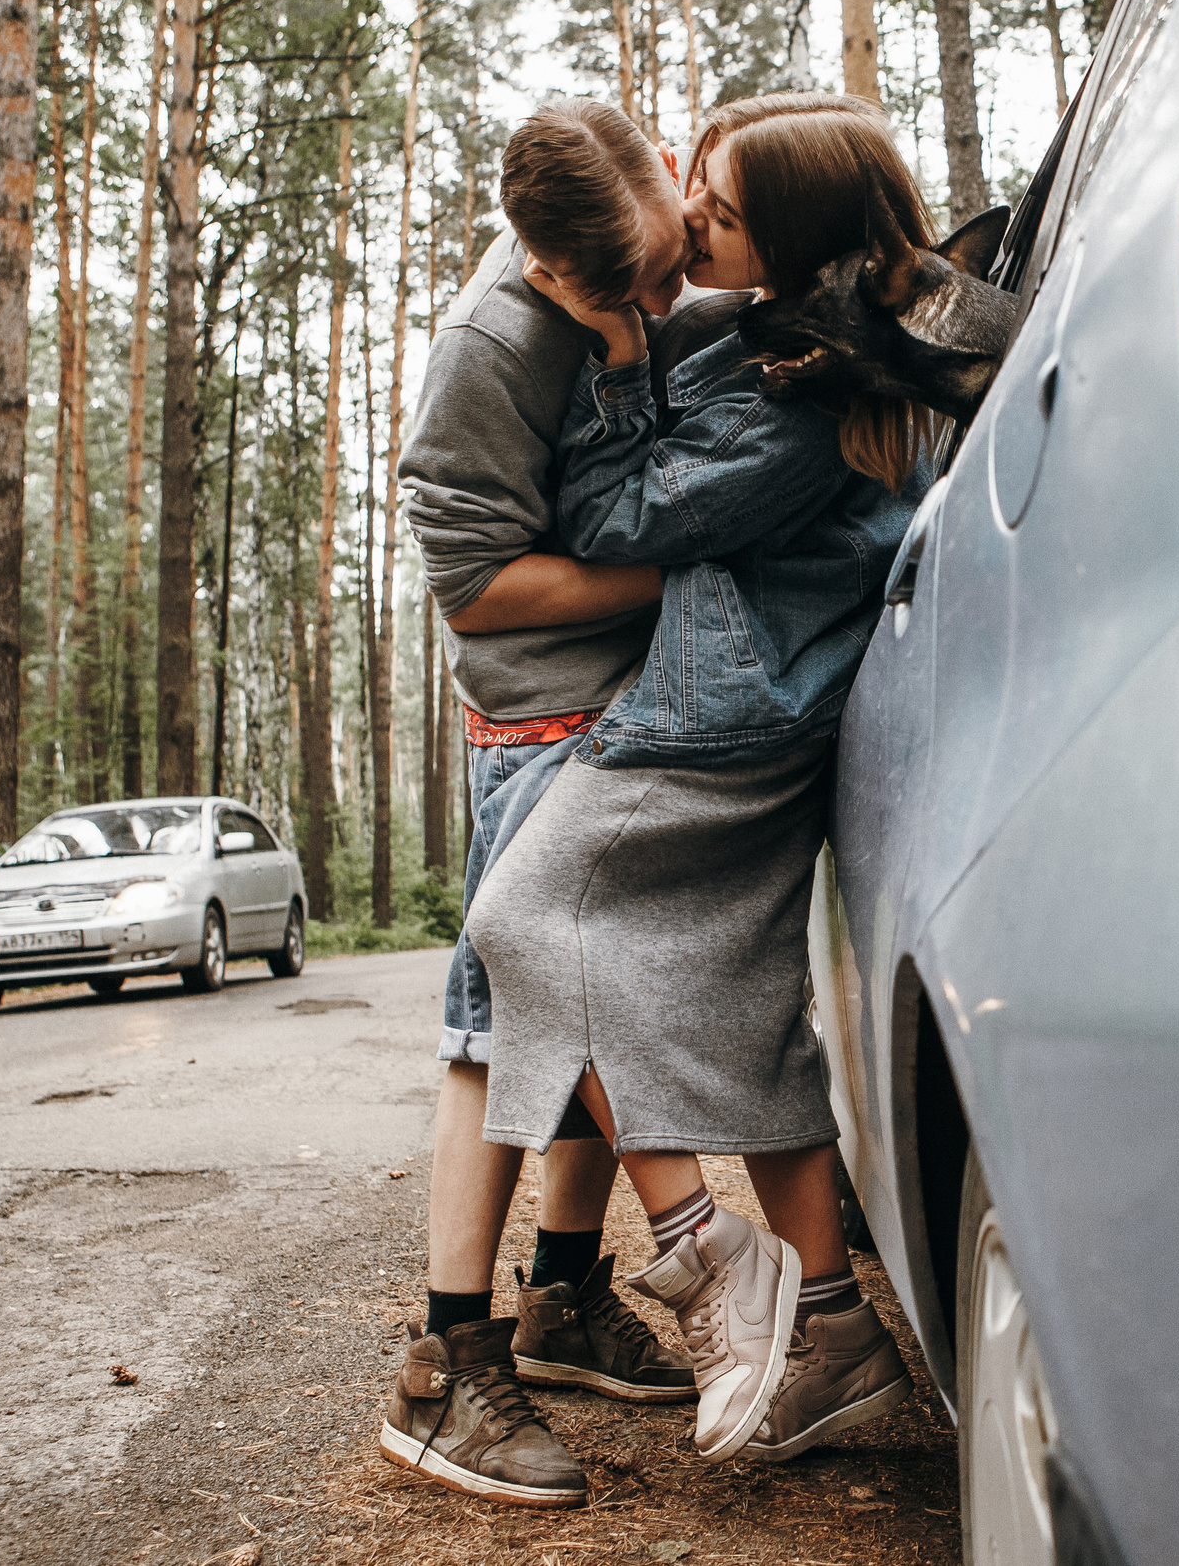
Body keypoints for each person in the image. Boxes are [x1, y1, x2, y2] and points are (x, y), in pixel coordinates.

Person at [468, 91, 926, 1466]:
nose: (693, 219)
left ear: (781, 238)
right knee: (751, 1010)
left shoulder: (806, 391)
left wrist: (614, 346)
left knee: (521, 927)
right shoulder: (804, 339)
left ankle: (699, 1253)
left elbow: (616, 515)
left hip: (716, 719)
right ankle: (836, 1333)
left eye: (716, 210)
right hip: (762, 701)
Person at [385, 97, 736, 1507]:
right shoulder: (490, 350)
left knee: (602, 996)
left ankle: (565, 1300)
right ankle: (443, 1366)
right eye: (639, 292)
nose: (668, 302)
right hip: (537, 710)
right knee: (502, 1023)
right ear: (549, 277)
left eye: (675, 265)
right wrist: (688, 573)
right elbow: (473, 590)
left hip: (632, 695)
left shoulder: (645, 264)